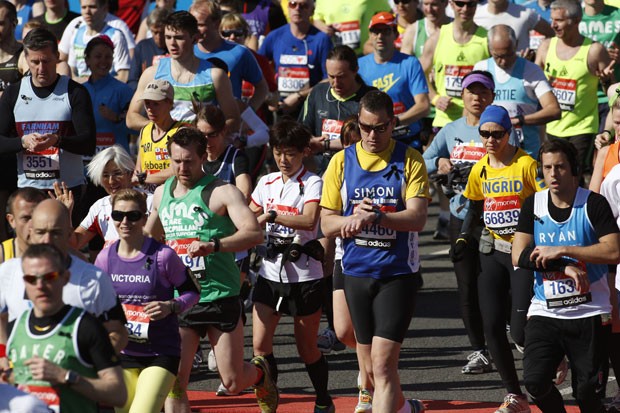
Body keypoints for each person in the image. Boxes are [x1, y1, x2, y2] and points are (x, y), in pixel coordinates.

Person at [142, 128, 275, 413]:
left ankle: (261, 373)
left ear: (204, 157)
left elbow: (254, 234)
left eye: (189, 161)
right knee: (175, 378)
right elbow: (148, 238)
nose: (182, 168)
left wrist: (213, 245)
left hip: (219, 294)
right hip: (180, 298)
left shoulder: (222, 192)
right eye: (176, 161)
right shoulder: (160, 194)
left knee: (232, 381)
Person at [321, 90, 430, 413]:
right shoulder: (341, 161)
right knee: (370, 369)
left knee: (382, 367)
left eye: (380, 128)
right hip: (355, 273)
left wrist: (379, 217)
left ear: (392, 124)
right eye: (366, 127)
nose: (372, 135)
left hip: (396, 275)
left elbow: (418, 218)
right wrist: (352, 219)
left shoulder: (410, 159)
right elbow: (326, 224)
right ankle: (407, 408)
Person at [513, 139, 620, 413]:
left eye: (560, 167)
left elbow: (613, 251)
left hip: (590, 311)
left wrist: (566, 249)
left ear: (573, 168)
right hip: (546, 311)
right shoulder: (533, 204)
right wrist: (562, 266)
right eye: (547, 167)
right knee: (535, 382)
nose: (553, 174)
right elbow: (519, 255)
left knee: (587, 393)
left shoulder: (593, 204)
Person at [454, 105, 544, 413]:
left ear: (509, 133)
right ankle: (514, 395)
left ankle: (553, 357)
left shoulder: (526, 165)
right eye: (484, 133)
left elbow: (546, 202)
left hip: (522, 253)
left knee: (518, 331)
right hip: (492, 252)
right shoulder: (480, 168)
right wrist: (465, 237)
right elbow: (474, 207)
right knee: (491, 324)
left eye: (497, 134)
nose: (490, 139)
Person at [249, 120, 333, 412]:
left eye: (290, 154)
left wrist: (271, 216)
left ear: (304, 153)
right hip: (269, 273)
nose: (283, 160)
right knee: (260, 347)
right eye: (278, 152)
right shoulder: (266, 182)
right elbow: (248, 216)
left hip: (305, 275)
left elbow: (310, 220)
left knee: (306, 349)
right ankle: (269, 399)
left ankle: (323, 399)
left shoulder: (313, 182)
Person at [95, 188, 200, 413]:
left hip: (160, 353)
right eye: (117, 215)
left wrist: (170, 306)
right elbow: (95, 304)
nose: (125, 222)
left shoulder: (163, 255)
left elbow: (193, 292)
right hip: (122, 354)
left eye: (132, 216)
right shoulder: (104, 258)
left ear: (144, 218)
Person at [423, 71, 500, 375]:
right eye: (471, 92)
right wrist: (439, 163)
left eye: (482, 93)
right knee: (466, 286)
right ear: (462, 96)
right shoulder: (450, 130)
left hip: (496, 219)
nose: (476, 98)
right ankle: (479, 350)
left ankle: (505, 336)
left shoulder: (498, 129)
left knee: (496, 285)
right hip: (460, 217)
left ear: (492, 97)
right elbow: (423, 159)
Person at [0, 199, 128, 362]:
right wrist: (3, 357)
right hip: (18, 383)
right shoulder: (7, 272)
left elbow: (118, 332)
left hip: (73, 384)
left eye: (55, 233)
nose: (47, 240)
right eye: (41, 232)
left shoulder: (94, 279)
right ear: (30, 232)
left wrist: (83, 366)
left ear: (69, 234)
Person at [7, 243, 127, 412]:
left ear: (65, 278)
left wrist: (65, 376)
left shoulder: (85, 326)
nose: (40, 285)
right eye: (32, 279)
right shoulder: (14, 328)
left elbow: (118, 395)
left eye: (49, 277)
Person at [0, 28, 96, 225]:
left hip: (67, 190)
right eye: (35, 62)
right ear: (25, 59)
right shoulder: (14, 93)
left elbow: (88, 142)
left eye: (46, 61)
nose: (41, 68)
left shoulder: (74, 92)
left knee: (64, 250)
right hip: (29, 191)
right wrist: (22, 142)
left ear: (57, 57)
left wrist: (57, 140)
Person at [126, 11, 239, 130]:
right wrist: (162, 129)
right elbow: (131, 117)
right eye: (168, 37)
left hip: (200, 147)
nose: (172, 43)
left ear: (195, 38)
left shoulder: (215, 75)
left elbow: (233, 120)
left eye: (179, 38)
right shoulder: (151, 74)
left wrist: (207, 135)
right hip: (162, 147)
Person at [535, 0, 612, 172]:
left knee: (573, 175)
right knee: (554, 174)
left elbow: (613, 93)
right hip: (552, 125)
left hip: (582, 126)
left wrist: (606, 80)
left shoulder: (594, 50)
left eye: (559, 20)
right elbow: (534, 84)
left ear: (576, 20)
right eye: (552, 20)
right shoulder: (546, 47)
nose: (553, 25)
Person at [473, 25, 561, 157]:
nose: (503, 61)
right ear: (489, 48)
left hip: (525, 154)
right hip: (490, 155)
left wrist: (520, 120)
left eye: (508, 54)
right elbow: (469, 109)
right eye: (497, 56)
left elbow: (554, 110)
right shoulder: (481, 68)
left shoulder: (531, 71)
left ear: (516, 45)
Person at [358, 11, 430, 150]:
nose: (380, 36)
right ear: (370, 35)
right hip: (372, 141)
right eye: (375, 31)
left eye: (386, 31)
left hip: (406, 139)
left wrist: (394, 122)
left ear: (396, 35)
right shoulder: (359, 66)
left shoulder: (410, 63)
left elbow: (423, 106)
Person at [420, 0, 489, 130]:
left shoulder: (486, 38)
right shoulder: (437, 37)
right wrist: (435, 98)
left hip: (478, 121)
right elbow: (420, 74)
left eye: (470, 4)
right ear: (451, 4)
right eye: (460, 4)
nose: (465, 9)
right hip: (445, 120)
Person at [299, 45, 375, 161]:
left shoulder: (371, 97)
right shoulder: (318, 92)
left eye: (341, 76)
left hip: (356, 167)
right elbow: (302, 131)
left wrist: (325, 145)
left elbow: (372, 140)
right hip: (320, 170)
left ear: (355, 71)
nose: (336, 83)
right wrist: (310, 140)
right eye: (331, 76)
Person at [189, 0, 268, 111]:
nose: (195, 29)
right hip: (192, 125)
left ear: (216, 23)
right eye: (192, 25)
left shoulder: (239, 52)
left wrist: (247, 115)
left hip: (228, 125)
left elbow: (262, 88)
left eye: (200, 25)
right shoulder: (186, 50)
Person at [258, 0, 332, 115]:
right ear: (288, 8)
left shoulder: (322, 39)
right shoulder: (274, 36)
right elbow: (257, 68)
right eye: (293, 4)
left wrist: (299, 96)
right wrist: (269, 95)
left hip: (310, 107)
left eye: (303, 6)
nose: (297, 8)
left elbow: (329, 79)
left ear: (312, 11)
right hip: (279, 106)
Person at [72, 145, 149, 251]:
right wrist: (64, 213)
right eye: (105, 175)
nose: (111, 181)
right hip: (111, 266)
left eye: (117, 173)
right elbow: (75, 243)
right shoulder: (99, 207)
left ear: (130, 173)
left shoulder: (150, 201)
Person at [132, 79, 187, 193]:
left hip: (172, 193)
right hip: (148, 194)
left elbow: (179, 169)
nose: (150, 109)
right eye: (147, 103)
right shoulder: (145, 130)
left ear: (170, 103)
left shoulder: (180, 132)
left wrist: (144, 179)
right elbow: (139, 168)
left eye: (156, 104)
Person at [82, 35, 133, 156]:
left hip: (114, 162)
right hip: (85, 163)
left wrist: (116, 118)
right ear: (87, 60)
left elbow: (137, 128)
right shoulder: (80, 91)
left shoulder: (123, 90)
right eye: (98, 56)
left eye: (108, 57)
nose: (103, 61)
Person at [59, 0, 131, 83]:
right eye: (84, 7)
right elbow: (72, 70)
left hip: (108, 92)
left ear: (104, 8)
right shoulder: (76, 33)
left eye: (92, 7)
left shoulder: (116, 35)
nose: (87, 12)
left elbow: (123, 76)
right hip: (82, 90)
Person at [312, 0, 391, 55]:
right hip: (335, 56)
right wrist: (323, 27)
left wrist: (373, 40)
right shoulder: (322, 1)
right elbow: (316, 20)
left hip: (364, 54)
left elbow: (388, 15)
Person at [473, 0, 553, 53]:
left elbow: (554, 34)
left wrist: (539, 55)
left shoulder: (525, 14)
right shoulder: (475, 14)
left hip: (521, 74)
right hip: (486, 74)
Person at [128, 7, 171, 90]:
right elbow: (132, 80)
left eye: (162, 32)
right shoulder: (142, 47)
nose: (159, 37)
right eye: (155, 32)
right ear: (150, 30)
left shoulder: (175, 48)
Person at [0, 187, 47, 263]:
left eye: (38, 216)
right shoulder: (2, 256)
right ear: (11, 220)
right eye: (26, 218)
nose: (32, 224)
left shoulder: (61, 254)